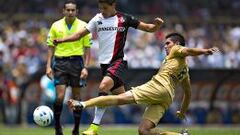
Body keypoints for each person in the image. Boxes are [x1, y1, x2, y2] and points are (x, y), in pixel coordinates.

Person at [68, 33, 219, 135]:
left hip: (158, 87)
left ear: (176, 44)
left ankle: (82, 104)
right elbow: (188, 93)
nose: (165, 46)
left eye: (168, 43)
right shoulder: (184, 70)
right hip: (166, 98)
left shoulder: (176, 50)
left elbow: (189, 50)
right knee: (144, 131)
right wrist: (183, 111)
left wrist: (204, 51)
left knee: (119, 99)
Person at [54, 0, 164, 134]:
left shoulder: (125, 19)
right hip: (105, 65)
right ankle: (152, 100)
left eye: (105, 8)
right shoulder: (97, 19)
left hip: (118, 62)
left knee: (103, 87)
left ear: (113, 5)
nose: (102, 11)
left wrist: (157, 25)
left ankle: (94, 127)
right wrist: (62, 40)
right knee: (123, 99)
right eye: (100, 8)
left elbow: (148, 28)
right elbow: (78, 35)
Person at [46, 0, 92, 135]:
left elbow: (87, 49)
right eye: (68, 10)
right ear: (63, 11)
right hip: (60, 63)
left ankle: (76, 129)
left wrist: (86, 67)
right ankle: (57, 127)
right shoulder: (56, 25)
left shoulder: (84, 26)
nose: (70, 12)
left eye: (73, 10)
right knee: (60, 97)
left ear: (77, 12)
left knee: (76, 97)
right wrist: (48, 66)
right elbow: (50, 47)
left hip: (77, 63)